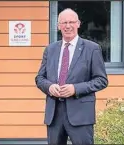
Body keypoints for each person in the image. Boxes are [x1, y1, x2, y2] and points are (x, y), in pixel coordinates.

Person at [34, 8, 108, 145]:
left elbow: (101, 80)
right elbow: (40, 78)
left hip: (80, 115)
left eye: (71, 22)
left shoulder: (92, 48)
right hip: (54, 115)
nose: (68, 26)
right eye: (64, 23)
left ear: (78, 24)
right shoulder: (50, 49)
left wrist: (75, 88)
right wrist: (49, 87)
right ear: (58, 26)